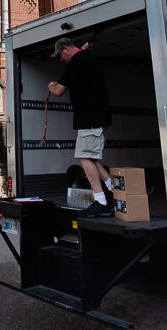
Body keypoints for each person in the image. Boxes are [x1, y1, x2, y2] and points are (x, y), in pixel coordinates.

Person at [48, 37, 114, 218]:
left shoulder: (76, 65)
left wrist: (51, 86)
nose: (61, 59)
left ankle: (101, 201)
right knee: (91, 156)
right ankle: (113, 189)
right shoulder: (89, 59)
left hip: (90, 118)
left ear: (65, 49)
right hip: (98, 116)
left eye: (60, 55)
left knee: (83, 156)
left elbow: (59, 91)